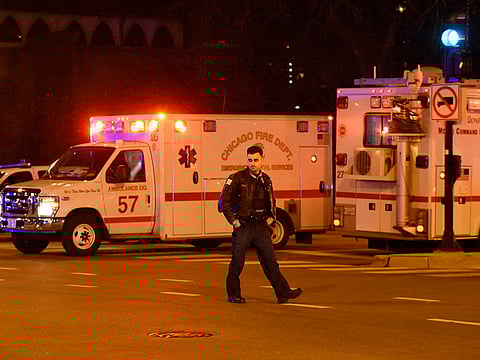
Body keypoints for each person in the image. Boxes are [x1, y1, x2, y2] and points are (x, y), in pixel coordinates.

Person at [219, 145, 303, 304]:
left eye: (256, 160)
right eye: (250, 160)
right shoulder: (237, 178)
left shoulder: (266, 180)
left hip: (260, 226)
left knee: (270, 261)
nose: (252, 163)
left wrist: (271, 217)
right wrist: (234, 221)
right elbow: (224, 201)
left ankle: (283, 293)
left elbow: (272, 200)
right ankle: (234, 294)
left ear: (262, 160)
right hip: (244, 225)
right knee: (238, 261)